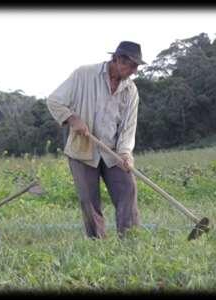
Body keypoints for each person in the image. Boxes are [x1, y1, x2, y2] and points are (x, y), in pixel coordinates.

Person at [47, 41, 146, 239]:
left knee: (127, 188)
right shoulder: (84, 74)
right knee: (89, 200)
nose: (134, 71)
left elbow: (128, 126)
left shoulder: (131, 90)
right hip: (82, 149)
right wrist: (73, 119)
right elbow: (54, 100)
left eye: (137, 66)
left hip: (113, 151)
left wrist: (125, 153)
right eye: (132, 66)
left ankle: (130, 239)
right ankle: (96, 242)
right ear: (117, 59)